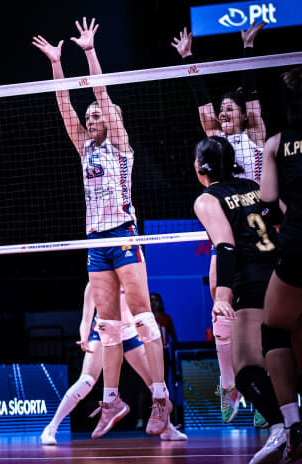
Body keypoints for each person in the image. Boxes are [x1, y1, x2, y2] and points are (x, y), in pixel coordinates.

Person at [33, 18, 171, 439]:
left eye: (96, 115)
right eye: (89, 116)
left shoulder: (120, 147)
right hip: (95, 241)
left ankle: (161, 397)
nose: (90, 118)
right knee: (108, 327)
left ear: (111, 121)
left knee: (143, 319)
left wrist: (90, 53)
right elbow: (64, 104)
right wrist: (57, 63)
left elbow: (102, 95)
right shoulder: (84, 149)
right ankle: (112, 399)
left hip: (123, 233)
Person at [172, 22, 267, 423]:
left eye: (231, 109)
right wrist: (188, 59)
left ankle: (265, 392)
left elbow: (252, 96)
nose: (224, 113)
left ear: (244, 115)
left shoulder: (256, 135)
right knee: (219, 303)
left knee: (262, 316)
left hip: (260, 232)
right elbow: (203, 106)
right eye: (222, 109)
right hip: (228, 233)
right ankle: (229, 385)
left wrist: (247, 49)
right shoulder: (216, 143)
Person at [193, 136, 287, 464]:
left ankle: (281, 429)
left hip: (252, 282)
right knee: (283, 353)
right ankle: (290, 423)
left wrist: (222, 295)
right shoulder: (252, 186)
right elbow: (281, 219)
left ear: (200, 167)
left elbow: (226, 247)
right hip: (283, 272)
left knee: (245, 369)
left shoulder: (207, 199)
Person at [41, 283, 187, 445]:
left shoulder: (131, 277)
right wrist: (84, 337)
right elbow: (86, 319)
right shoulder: (94, 283)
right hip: (104, 332)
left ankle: (167, 429)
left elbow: (142, 313)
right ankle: (51, 428)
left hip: (129, 333)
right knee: (86, 380)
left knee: (156, 383)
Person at [259, 65, 302, 462]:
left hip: (297, 247)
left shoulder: (276, 143)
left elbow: (268, 201)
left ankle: (292, 424)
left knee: (274, 330)